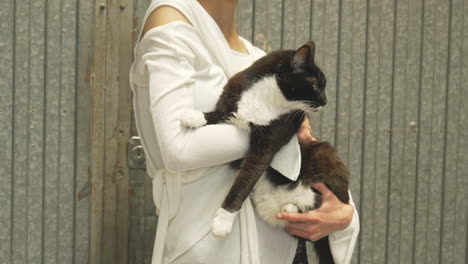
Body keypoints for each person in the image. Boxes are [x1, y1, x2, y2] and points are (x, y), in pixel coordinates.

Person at [129, 0, 359, 263]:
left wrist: (344, 214)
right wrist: (277, 133)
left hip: (283, 249)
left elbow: (300, 151)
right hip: (209, 248)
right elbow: (177, 148)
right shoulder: (169, 22)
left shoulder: (256, 57)